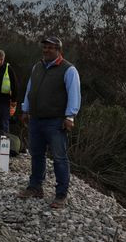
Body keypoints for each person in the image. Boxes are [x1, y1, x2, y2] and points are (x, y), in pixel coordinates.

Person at [18, 36, 81, 208]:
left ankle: (61, 194)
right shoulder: (37, 67)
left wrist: (70, 117)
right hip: (36, 119)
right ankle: (35, 186)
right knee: (36, 155)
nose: (46, 50)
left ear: (58, 50)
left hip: (56, 121)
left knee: (59, 158)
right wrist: (25, 109)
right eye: (44, 47)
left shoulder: (69, 70)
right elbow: (30, 89)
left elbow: (74, 94)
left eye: (50, 48)